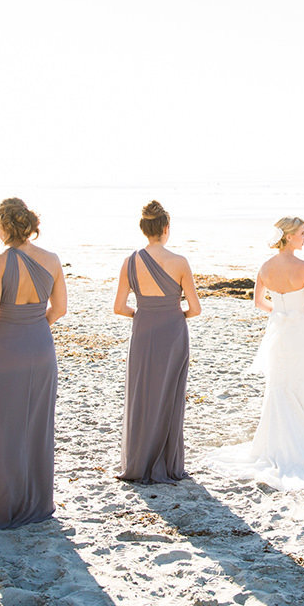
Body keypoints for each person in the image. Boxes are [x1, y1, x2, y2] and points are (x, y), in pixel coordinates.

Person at [209, 218, 304, 489]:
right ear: (289, 237)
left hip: (277, 329)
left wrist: (279, 314)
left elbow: (258, 302)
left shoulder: (265, 267)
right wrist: (300, 317)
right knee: (298, 383)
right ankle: (302, 439)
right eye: (302, 233)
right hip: (299, 332)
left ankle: (273, 443)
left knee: (277, 384)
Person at [0, 198, 67, 528]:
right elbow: (60, 309)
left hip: (8, 346)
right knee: (35, 425)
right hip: (40, 346)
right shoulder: (52, 260)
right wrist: (34, 325)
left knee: (0, 424)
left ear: (6, 225)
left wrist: (11, 331)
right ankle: (34, 501)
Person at [114, 200, 201, 482]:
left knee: (142, 393)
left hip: (144, 331)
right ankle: (167, 461)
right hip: (174, 331)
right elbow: (196, 309)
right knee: (171, 394)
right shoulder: (179, 262)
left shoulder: (129, 262)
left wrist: (144, 314)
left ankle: (139, 460)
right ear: (166, 228)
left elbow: (119, 307)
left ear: (144, 229)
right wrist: (174, 315)